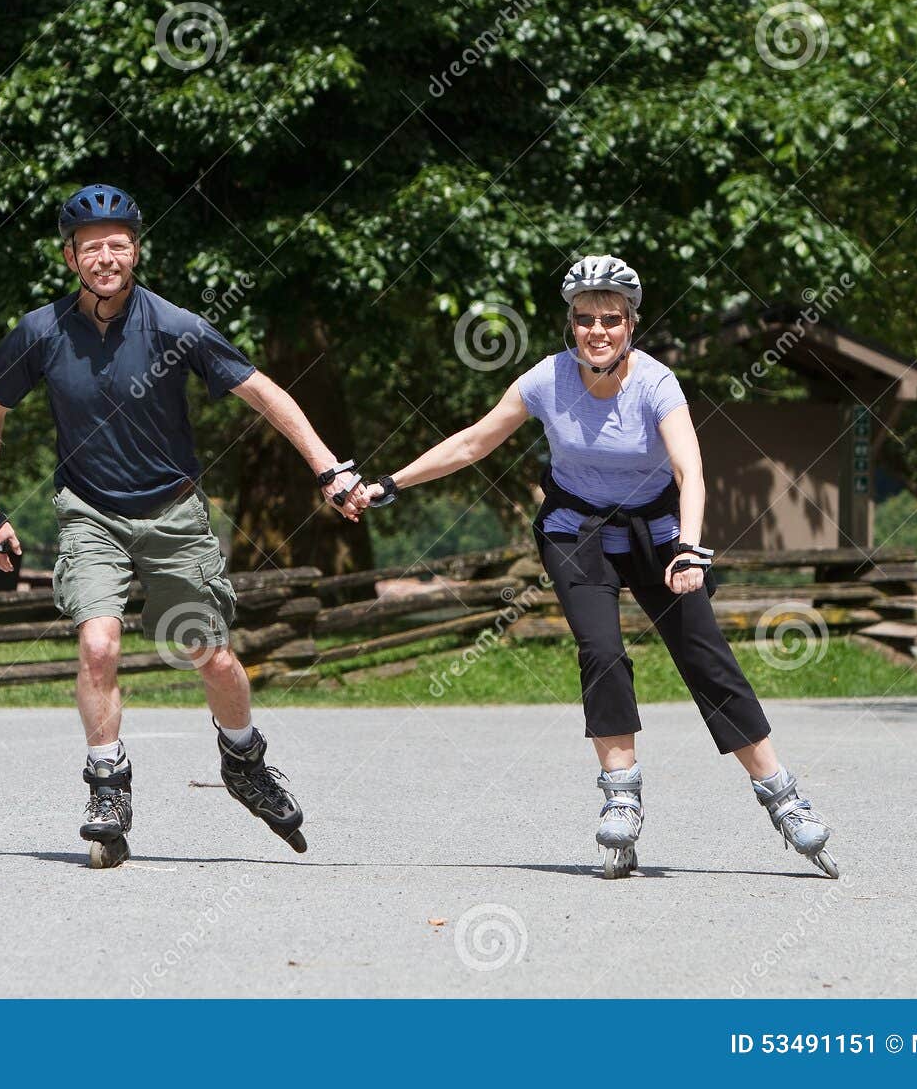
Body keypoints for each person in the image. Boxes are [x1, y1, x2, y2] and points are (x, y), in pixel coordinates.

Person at [349, 255, 838, 879]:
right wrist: (391, 483)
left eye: (611, 318)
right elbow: (474, 441)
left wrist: (689, 547)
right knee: (601, 650)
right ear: (571, 326)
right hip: (574, 528)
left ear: (632, 323)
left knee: (705, 655)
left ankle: (783, 798)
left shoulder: (657, 384)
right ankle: (621, 796)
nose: (597, 331)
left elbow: (690, 469)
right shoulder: (546, 381)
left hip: (658, 531)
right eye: (585, 320)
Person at [0, 182, 365, 868]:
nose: (106, 257)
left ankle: (243, 758)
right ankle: (106, 786)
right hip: (89, 511)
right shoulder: (40, 332)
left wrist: (327, 467)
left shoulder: (176, 325)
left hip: (173, 511)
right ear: (70, 257)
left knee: (207, 654)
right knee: (98, 643)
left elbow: (262, 391)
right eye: (92, 247)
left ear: (137, 250)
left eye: (118, 244)